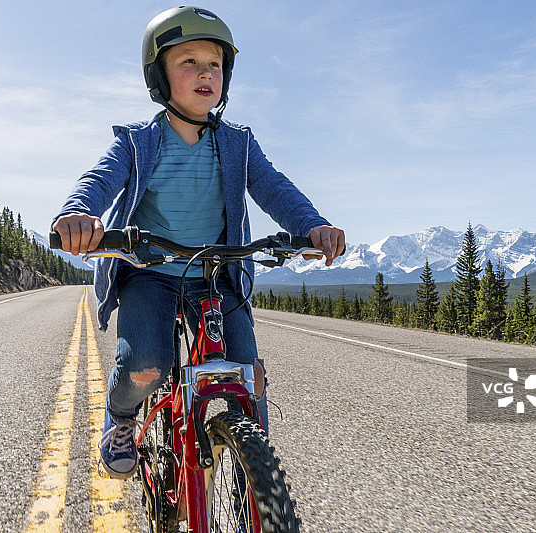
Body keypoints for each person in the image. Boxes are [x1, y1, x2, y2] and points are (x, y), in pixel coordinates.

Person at [52, 6, 345, 479]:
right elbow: (99, 180)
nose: (206, 72)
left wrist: (313, 226)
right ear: (159, 76)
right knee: (145, 363)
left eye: (215, 64)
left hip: (215, 275)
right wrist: (77, 215)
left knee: (246, 370)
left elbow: (274, 189)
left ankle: (256, 473)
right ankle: (122, 417)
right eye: (189, 61)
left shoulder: (237, 143)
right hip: (151, 273)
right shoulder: (138, 142)